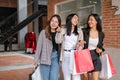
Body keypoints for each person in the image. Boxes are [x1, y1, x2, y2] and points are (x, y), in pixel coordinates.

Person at [55, 13, 83, 80]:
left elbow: (81, 44)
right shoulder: (63, 30)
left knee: (76, 77)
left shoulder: (79, 31)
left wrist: (79, 46)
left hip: (75, 56)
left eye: (77, 19)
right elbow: (58, 41)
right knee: (67, 78)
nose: (77, 20)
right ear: (69, 19)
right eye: (75, 18)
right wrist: (58, 32)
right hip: (65, 56)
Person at [34, 14, 61, 80]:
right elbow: (39, 47)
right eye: (52, 21)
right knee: (45, 78)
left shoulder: (60, 33)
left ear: (58, 24)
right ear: (49, 22)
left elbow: (60, 43)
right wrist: (36, 60)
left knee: (54, 78)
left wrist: (59, 33)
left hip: (55, 57)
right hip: (44, 57)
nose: (53, 23)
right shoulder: (43, 32)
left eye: (56, 22)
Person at [81, 13, 105, 80]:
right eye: (89, 20)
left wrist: (100, 50)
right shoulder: (84, 31)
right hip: (85, 56)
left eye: (91, 20)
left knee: (95, 79)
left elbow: (101, 46)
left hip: (96, 56)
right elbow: (79, 41)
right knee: (86, 78)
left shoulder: (101, 34)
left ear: (96, 21)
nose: (89, 21)